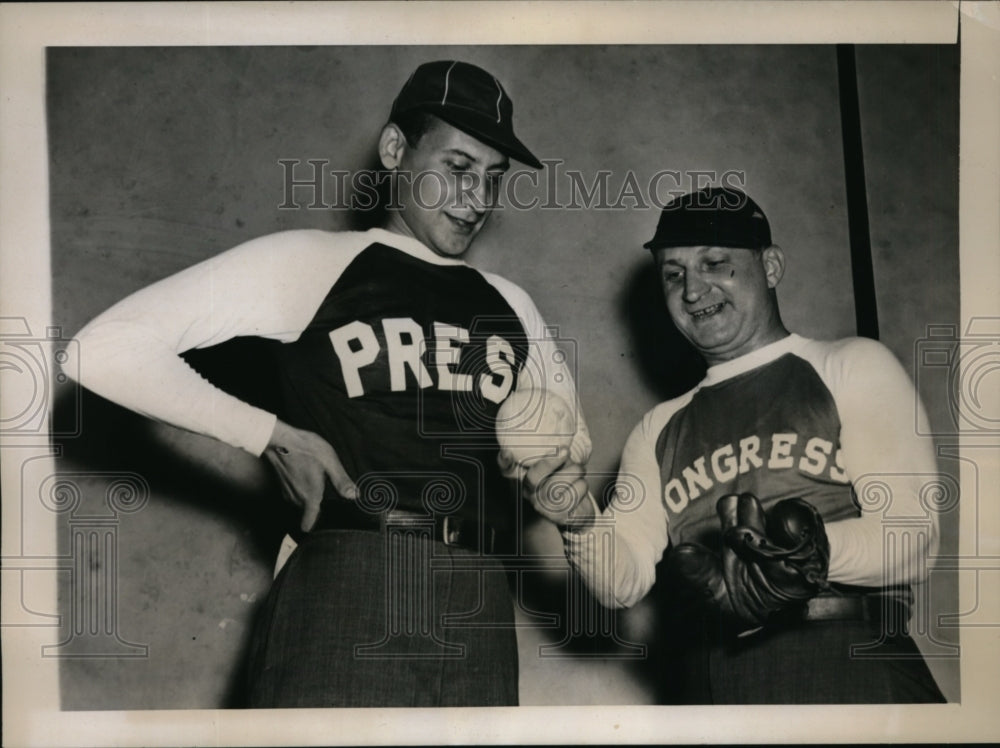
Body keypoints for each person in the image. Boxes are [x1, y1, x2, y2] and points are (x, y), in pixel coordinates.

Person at [65, 59, 591, 708]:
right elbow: (101, 350)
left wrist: (551, 475)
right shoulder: (313, 263)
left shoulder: (511, 303)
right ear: (396, 150)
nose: (477, 198)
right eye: (458, 168)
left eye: (493, 178)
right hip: (352, 577)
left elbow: (568, 448)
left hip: (480, 596)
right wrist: (268, 434)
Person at [518, 185, 945, 704]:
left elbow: (913, 540)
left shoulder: (850, 365)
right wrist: (579, 520)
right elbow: (621, 582)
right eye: (673, 275)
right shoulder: (658, 428)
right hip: (717, 679)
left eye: (715, 263)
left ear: (770, 267)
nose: (693, 290)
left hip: (845, 657)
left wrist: (806, 558)